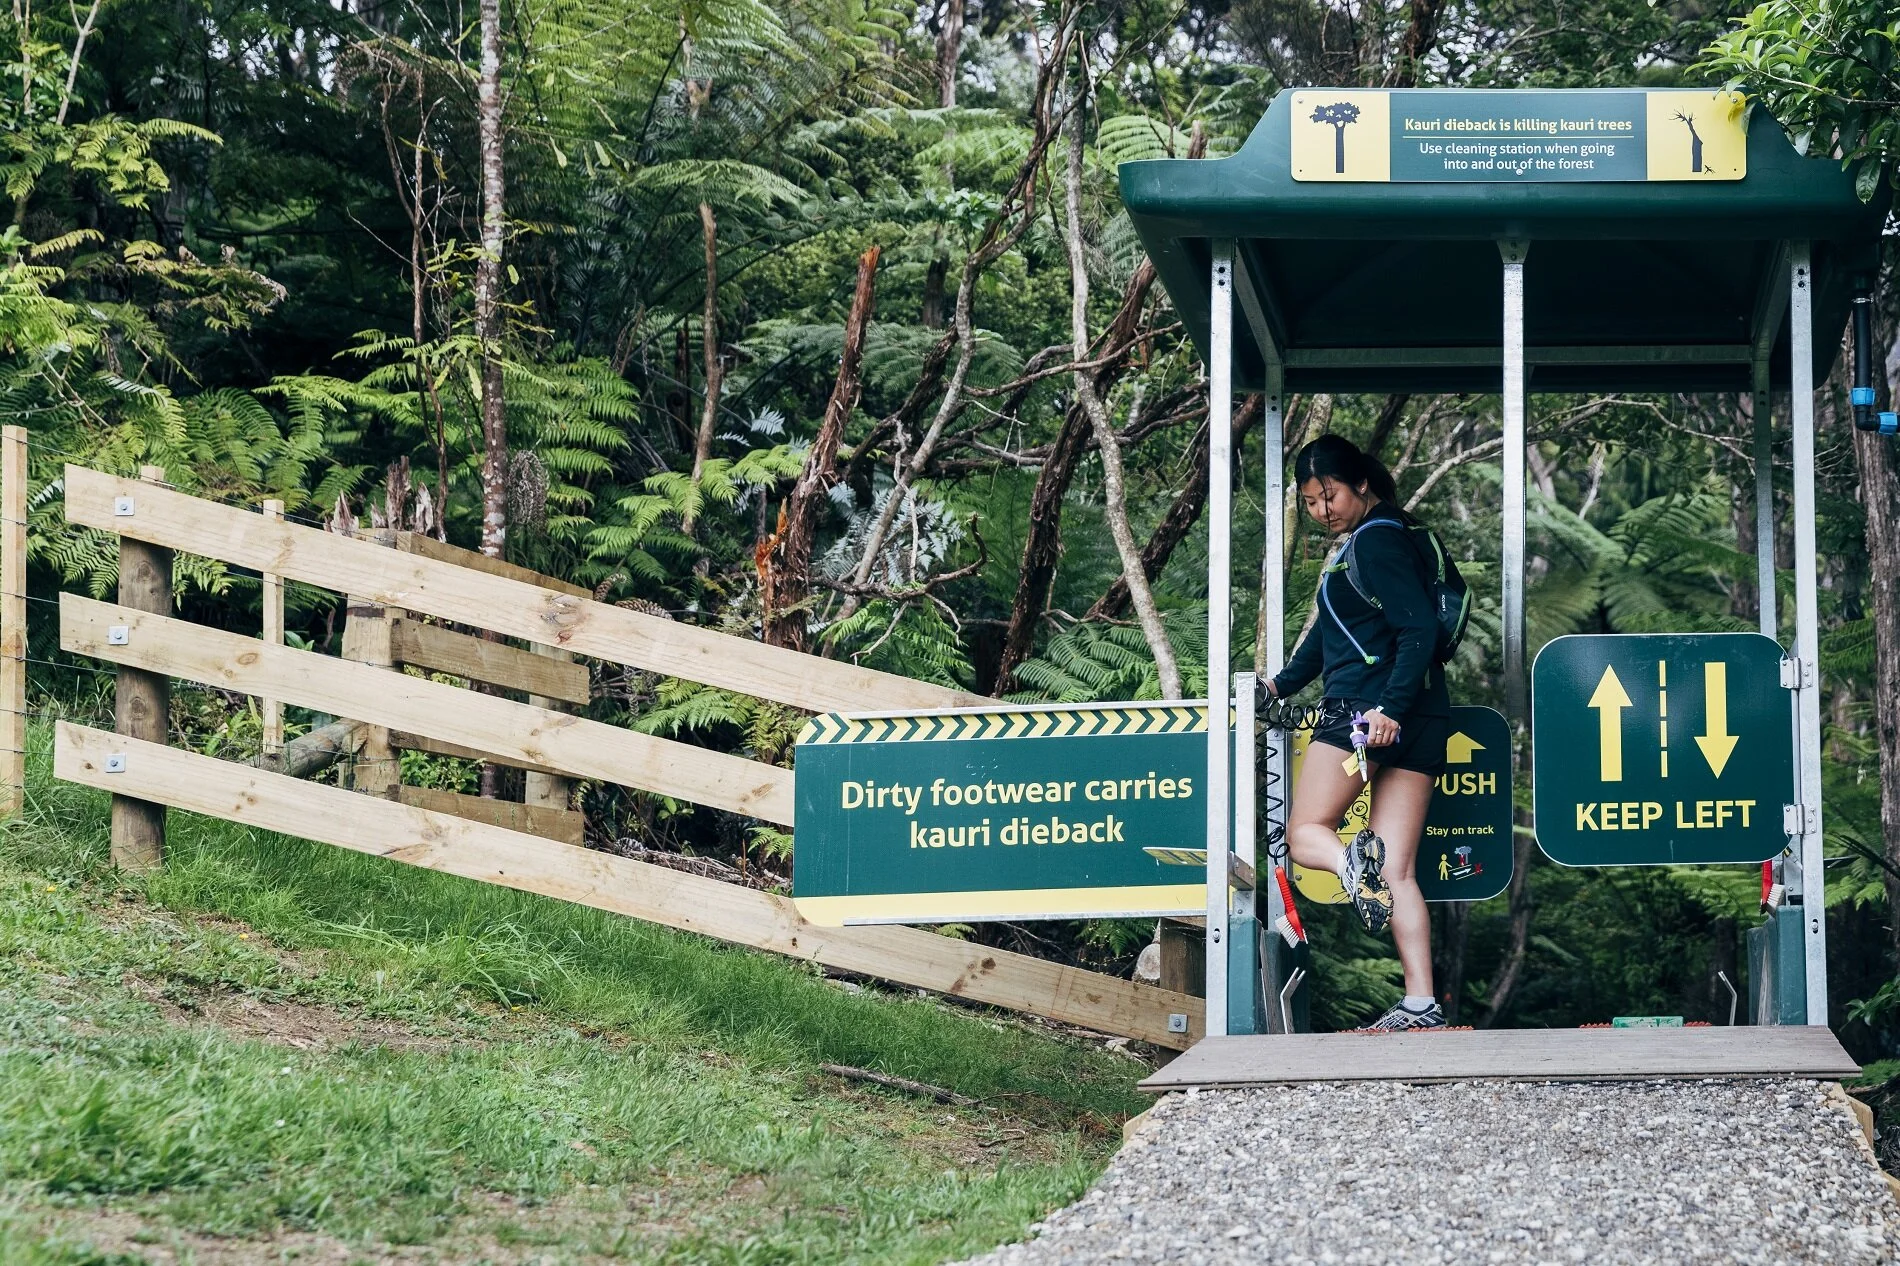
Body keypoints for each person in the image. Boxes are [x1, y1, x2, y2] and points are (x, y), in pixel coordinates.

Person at [1265, 434, 1451, 1032]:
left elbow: (1418, 629)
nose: (1323, 509)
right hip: (1418, 714)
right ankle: (1422, 1004)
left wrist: (1387, 707)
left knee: (1302, 834)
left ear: (1361, 485)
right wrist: (1282, 685)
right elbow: (1326, 640)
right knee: (1397, 869)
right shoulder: (1361, 548)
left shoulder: (1377, 541)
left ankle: (1351, 866)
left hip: (1366, 713)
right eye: (1311, 502)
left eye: (1331, 494)